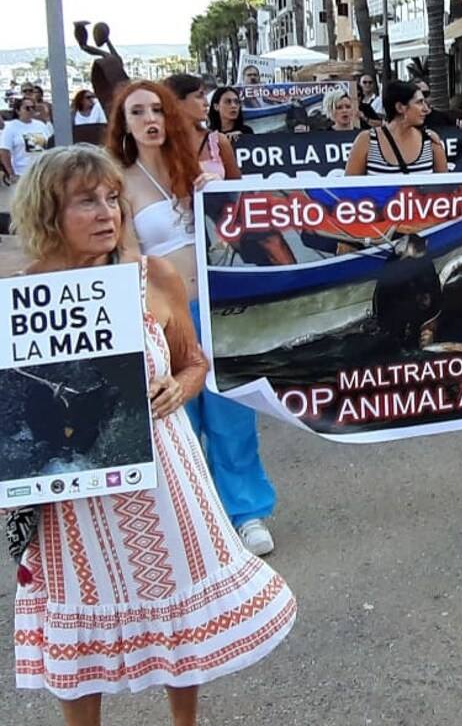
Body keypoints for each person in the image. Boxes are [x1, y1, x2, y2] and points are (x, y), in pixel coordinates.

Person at [8, 145, 295, 725]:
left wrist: (180, 387)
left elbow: (195, 361)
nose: (107, 212)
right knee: (79, 618)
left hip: (160, 471)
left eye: (112, 198)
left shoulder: (153, 276)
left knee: (177, 611)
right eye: (86, 201)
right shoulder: (19, 298)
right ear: (48, 213)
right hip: (69, 489)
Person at [107, 80, 280, 557]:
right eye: (137, 111)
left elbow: (241, 227)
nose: (149, 119)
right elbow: (124, 255)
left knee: (231, 413)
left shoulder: (193, 168)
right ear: (123, 122)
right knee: (176, 421)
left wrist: (217, 196)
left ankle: (246, 512)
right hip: (162, 315)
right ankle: (194, 520)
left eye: (156, 109)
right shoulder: (119, 181)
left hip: (214, 303)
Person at [345, 80, 448, 177]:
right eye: (419, 102)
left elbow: (446, 189)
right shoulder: (366, 141)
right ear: (400, 107)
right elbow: (347, 189)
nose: (425, 109)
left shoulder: (431, 140)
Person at [163, 74, 240, 179]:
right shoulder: (160, 144)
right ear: (176, 101)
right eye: (199, 96)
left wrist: (218, 185)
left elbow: (237, 188)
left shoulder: (218, 142)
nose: (206, 103)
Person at [0, 97, 51, 184]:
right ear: (18, 111)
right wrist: (11, 174)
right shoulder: (10, 127)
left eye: (33, 107)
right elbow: (4, 152)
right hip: (22, 174)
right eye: (27, 108)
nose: (31, 110)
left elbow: (49, 146)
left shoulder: (41, 125)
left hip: (42, 172)